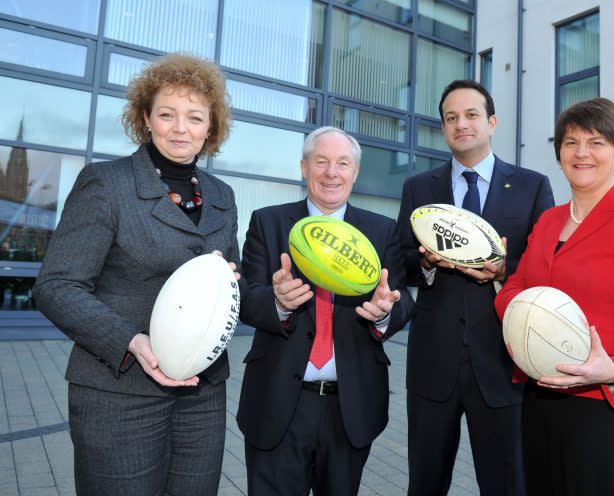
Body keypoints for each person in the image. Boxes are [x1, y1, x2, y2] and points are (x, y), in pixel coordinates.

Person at [33, 53, 239, 496]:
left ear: (211, 127)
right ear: (146, 118)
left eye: (195, 117)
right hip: (118, 391)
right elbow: (57, 286)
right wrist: (131, 340)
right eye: (167, 114)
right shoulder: (106, 183)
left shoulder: (223, 196)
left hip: (202, 396)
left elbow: (226, 279)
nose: (180, 128)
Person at [494, 97, 614, 496]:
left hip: (604, 405)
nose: (582, 152)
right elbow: (517, 290)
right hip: (539, 397)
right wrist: (517, 311)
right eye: (570, 142)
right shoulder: (548, 221)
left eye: (596, 141)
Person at [235, 126, 414, 496]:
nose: (332, 172)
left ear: (355, 172)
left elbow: (402, 302)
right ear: (304, 167)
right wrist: (277, 301)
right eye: (321, 162)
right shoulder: (268, 223)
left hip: (350, 408)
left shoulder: (381, 231)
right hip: (278, 403)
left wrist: (384, 312)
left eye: (342, 163)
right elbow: (244, 298)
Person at [397, 80, 554, 495]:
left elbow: (550, 268)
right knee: (425, 483)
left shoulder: (532, 186)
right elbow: (400, 261)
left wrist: (505, 270)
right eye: (451, 118)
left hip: (503, 363)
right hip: (433, 366)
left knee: (507, 484)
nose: (460, 124)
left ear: (492, 122)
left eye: (470, 115)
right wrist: (425, 263)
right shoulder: (418, 188)